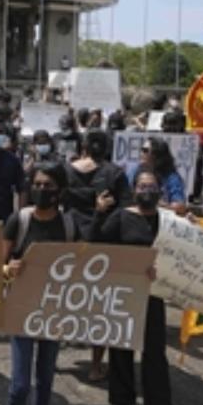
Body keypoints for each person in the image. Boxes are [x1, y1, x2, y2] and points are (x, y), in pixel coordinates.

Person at [92, 168, 196, 405]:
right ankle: (123, 403)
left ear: (160, 191)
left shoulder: (169, 221)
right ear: (134, 190)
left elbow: (185, 252)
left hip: (154, 295)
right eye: (141, 186)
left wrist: (192, 227)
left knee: (154, 352)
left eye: (151, 187)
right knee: (121, 348)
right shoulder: (121, 217)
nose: (146, 191)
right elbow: (97, 245)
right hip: (124, 292)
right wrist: (99, 213)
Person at [0, 163, 75, 405]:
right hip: (22, 310)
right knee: (20, 384)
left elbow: (86, 267)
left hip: (54, 312)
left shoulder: (70, 225)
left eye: (48, 184)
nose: (41, 189)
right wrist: (7, 269)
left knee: (45, 378)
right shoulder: (20, 220)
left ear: (59, 190)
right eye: (37, 183)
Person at [63, 129, 131, 382]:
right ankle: (95, 366)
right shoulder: (115, 173)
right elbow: (125, 208)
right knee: (100, 305)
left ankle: (51, 352)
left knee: (63, 298)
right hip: (103, 242)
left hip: (70, 239)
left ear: (83, 146)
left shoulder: (67, 170)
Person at [132, 137, 185, 212]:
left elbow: (180, 207)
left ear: (155, 155)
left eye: (145, 150)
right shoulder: (134, 171)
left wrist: (153, 202)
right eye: (141, 149)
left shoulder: (171, 178)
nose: (141, 153)